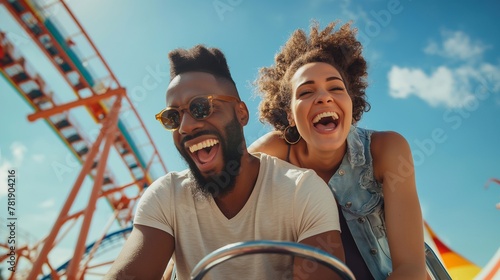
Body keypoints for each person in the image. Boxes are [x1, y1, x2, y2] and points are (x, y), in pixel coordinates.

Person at [106, 45, 345, 280]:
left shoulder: (303, 191)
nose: (186, 126)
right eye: (173, 117)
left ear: (241, 113)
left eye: (201, 107)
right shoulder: (165, 196)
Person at [249, 21, 427, 279]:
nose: (324, 97)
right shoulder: (270, 154)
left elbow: (410, 268)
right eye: (306, 91)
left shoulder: (386, 150)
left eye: (335, 88)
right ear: (289, 115)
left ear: (351, 104)